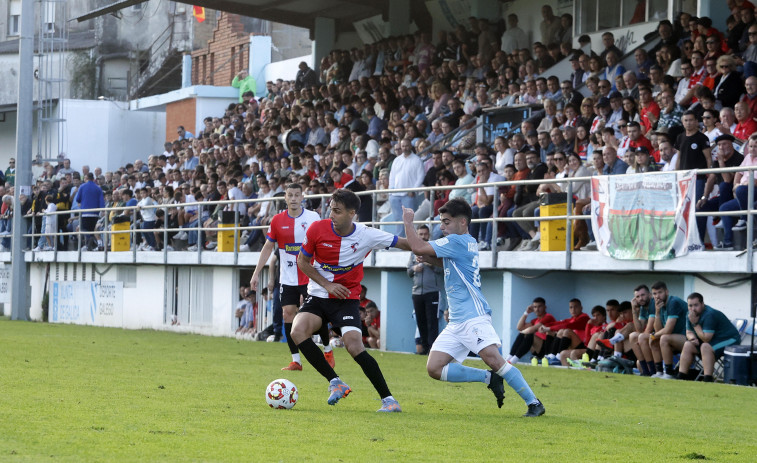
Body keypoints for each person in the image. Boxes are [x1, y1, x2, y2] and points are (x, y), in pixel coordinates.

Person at [402, 198, 545, 417]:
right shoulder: (466, 241)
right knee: (434, 368)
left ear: (462, 222)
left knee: (495, 359)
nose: (441, 227)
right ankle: (489, 378)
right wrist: (432, 260)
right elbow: (450, 263)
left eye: (446, 222)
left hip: (473, 317)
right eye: (441, 222)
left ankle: (534, 403)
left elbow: (418, 246)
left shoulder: (457, 241)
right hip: (458, 321)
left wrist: (408, 222)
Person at [290, 189, 412, 412]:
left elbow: (404, 243)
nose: (331, 214)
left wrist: (437, 251)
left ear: (352, 213)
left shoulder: (367, 234)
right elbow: (302, 262)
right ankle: (335, 382)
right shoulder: (317, 228)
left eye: (337, 211)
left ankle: (389, 400)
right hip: (318, 295)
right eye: (330, 209)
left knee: (354, 345)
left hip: (346, 299)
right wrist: (327, 285)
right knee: (297, 331)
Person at [249, 183, 333, 371]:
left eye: (297, 195)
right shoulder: (277, 220)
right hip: (287, 278)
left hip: (310, 276)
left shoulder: (313, 217)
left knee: (317, 314)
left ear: (302, 197)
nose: (293, 198)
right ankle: (296, 360)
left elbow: (322, 242)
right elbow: (268, 248)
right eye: (290, 195)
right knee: (288, 313)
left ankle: (327, 349)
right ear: (285, 198)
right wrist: (256, 273)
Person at [677, 292, 742, 381]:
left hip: (729, 339)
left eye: (696, 305)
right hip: (713, 339)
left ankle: (707, 378)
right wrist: (692, 338)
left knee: (705, 346)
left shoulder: (709, 314)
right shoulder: (689, 314)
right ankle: (681, 377)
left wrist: (695, 324)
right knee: (688, 344)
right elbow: (688, 332)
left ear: (702, 304)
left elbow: (706, 338)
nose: (693, 309)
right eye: (690, 306)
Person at [407, 224, 443, 355]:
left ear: (429, 235)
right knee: (420, 321)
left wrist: (430, 263)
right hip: (417, 292)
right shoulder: (413, 251)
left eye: (425, 234)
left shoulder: (434, 250)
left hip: (432, 292)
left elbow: (442, 269)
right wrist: (413, 269)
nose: (423, 236)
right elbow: (408, 271)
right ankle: (424, 348)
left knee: (432, 322)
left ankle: (432, 350)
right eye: (420, 234)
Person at [506, 297, 556, 363]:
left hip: (547, 349)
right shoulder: (535, 320)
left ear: (545, 307)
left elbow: (531, 330)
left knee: (529, 335)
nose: (537, 309)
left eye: (539, 307)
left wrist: (522, 332)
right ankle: (509, 357)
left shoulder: (548, 317)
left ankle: (513, 360)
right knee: (523, 334)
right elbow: (519, 327)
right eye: (535, 307)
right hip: (538, 349)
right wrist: (526, 312)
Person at [73, 172, 105, 250]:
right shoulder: (98, 188)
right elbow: (102, 202)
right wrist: (102, 210)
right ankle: (88, 245)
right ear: (93, 178)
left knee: (83, 229)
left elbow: (78, 199)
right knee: (91, 229)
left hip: (85, 213)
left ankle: (90, 240)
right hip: (95, 214)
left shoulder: (82, 186)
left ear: (86, 178)